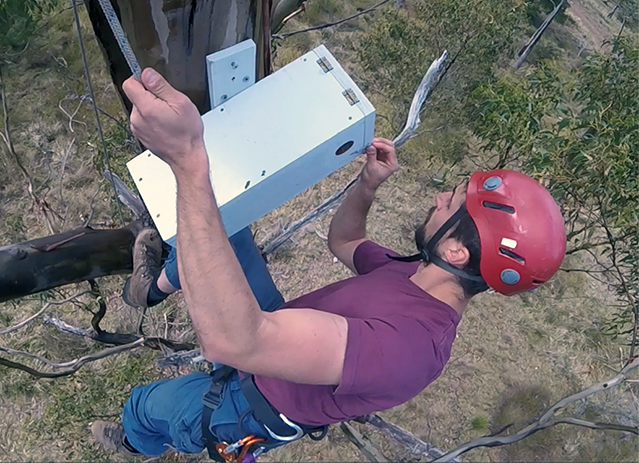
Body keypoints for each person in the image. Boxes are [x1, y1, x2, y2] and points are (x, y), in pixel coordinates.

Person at [90, 68, 566, 461]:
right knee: (223, 224)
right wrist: (367, 186)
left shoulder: (413, 348)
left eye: (453, 203)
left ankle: (136, 444)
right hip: (278, 330)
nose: (441, 197)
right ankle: (151, 289)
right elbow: (347, 239)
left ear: (458, 252)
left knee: (143, 406)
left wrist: (187, 159)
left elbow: (234, 341)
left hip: (252, 401)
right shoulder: (417, 277)